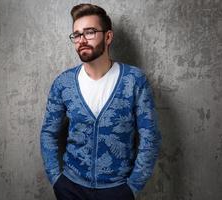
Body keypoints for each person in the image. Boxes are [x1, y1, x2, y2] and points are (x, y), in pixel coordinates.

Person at [40, 3, 161, 200]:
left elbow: (151, 137)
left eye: (89, 32)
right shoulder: (63, 83)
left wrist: (133, 187)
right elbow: (48, 133)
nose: (82, 40)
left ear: (108, 37)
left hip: (118, 190)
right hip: (71, 188)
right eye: (77, 34)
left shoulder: (134, 80)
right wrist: (56, 179)